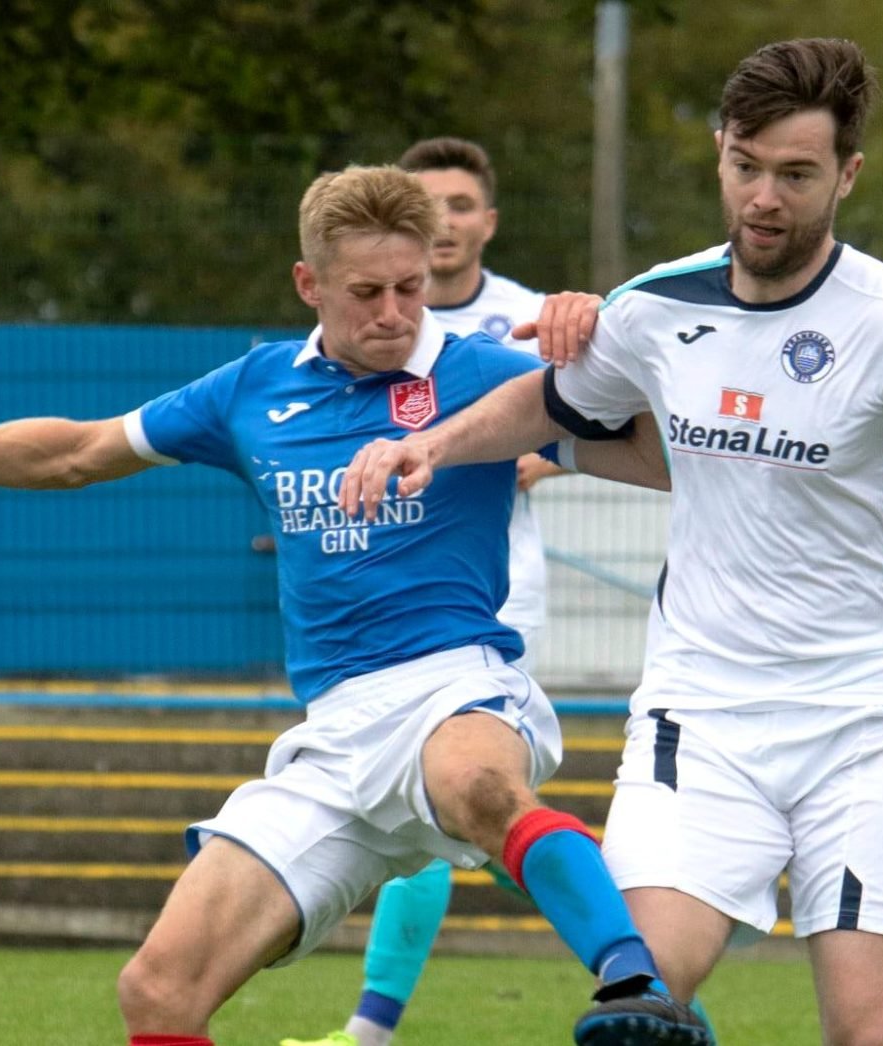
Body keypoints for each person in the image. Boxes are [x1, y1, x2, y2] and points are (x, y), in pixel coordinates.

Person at [336, 39, 883, 1045]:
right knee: (641, 1006)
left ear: (848, 175)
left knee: (870, 1032)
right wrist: (428, 443)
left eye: (796, 173)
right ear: (719, 154)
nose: (766, 197)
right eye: (747, 165)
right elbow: (556, 402)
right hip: (702, 710)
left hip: (867, 717)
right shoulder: (659, 306)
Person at [0, 164, 709, 1046]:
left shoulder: (484, 376)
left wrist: (611, 343)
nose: (395, 313)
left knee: (476, 784)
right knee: (158, 988)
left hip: (455, 683)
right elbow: (78, 452)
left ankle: (639, 988)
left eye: (412, 288)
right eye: (366, 292)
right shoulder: (253, 389)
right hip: (329, 739)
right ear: (308, 284)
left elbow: (664, 460)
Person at [281, 138, 683, 1046]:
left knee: (453, 797)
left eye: (463, 205)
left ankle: (377, 1026)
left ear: (484, 224)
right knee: (460, 813)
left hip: (490, 608)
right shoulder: (340, 339)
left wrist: (542, 452)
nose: (448, 221)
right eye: (433, 204)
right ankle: (643, 956)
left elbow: (613, 429)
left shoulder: (530, 322)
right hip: (377, 630)